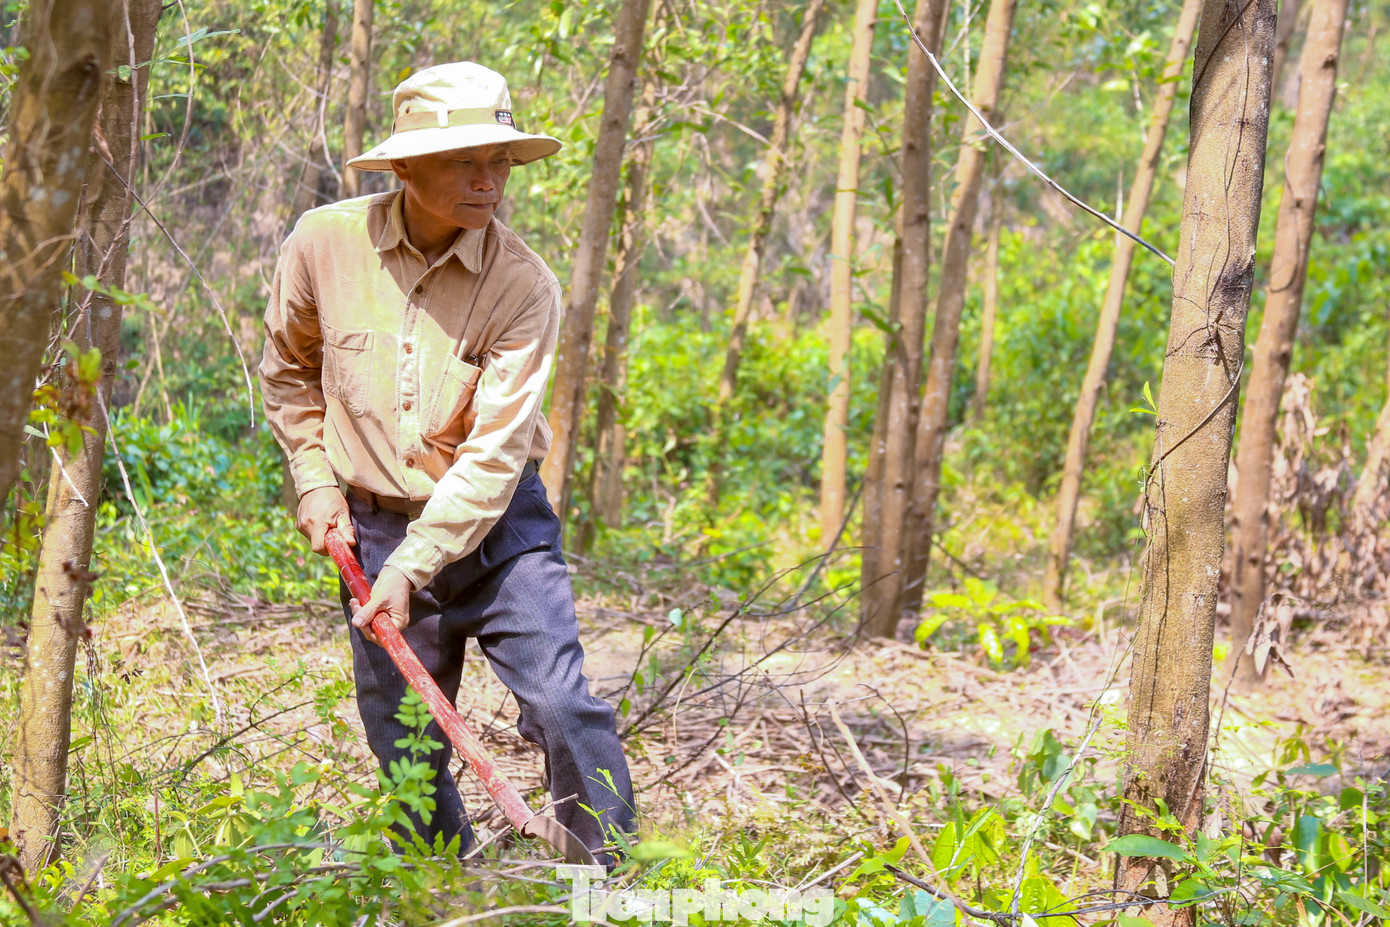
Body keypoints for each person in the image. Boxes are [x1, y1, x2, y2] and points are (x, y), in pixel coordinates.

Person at [259, 61, 636, 859]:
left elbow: (495, 457)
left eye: (499, 159)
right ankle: (445, 885)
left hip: (501, 528)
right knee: (406, 736)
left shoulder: (523, 286)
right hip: (372, 527)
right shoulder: (324, 244)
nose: (488, 178)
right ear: (404, 167)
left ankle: (608, 881)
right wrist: (315, 477)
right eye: (466, 159)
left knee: (565, 706)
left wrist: (419, 563)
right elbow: (289, 368)